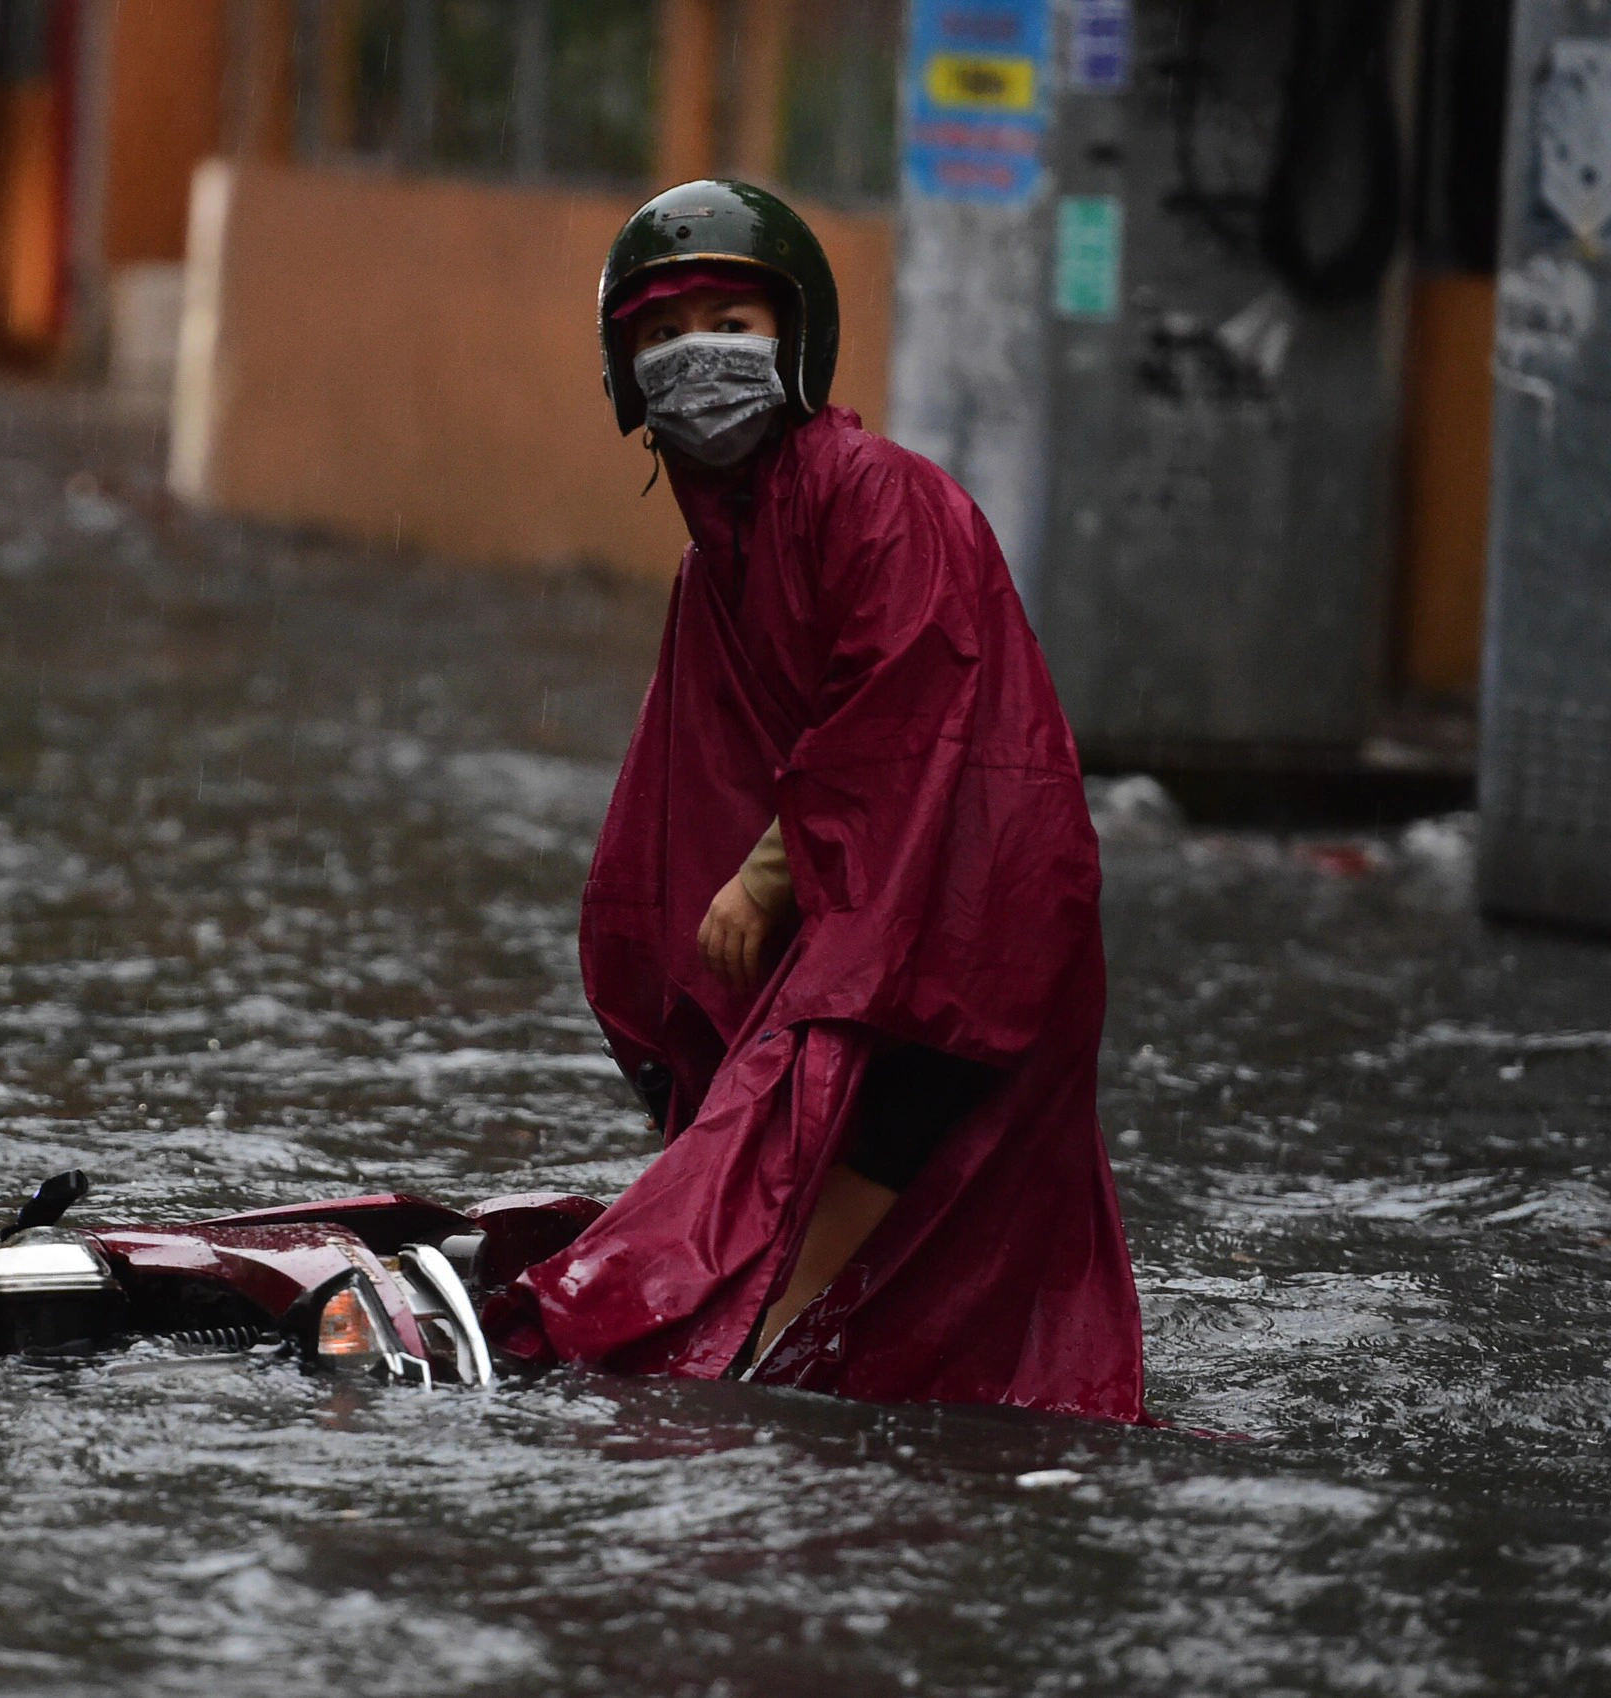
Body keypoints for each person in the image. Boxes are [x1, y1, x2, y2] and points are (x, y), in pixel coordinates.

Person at [487, 181, 1147, 1422]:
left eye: (731, 322)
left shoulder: (877, 497)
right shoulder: (716, 557)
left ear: (794, 338)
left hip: (961, 920)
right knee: (808, 1152)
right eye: (662, 336)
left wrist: (770, 873)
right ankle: (752, 1331)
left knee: (876, 1117)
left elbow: (906, 714)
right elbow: (687, 775)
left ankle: (739, 1344)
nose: (698, 359)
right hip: (864, 914)